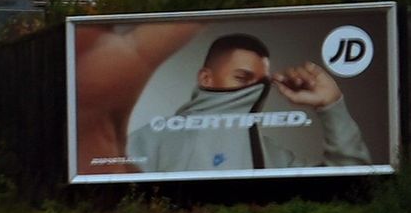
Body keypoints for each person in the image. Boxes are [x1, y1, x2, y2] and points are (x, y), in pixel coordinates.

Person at [133, 30, 376, 171]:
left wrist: (330, 104)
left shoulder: (271, 155)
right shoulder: (150, 141)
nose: (255, 91)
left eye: (262, 83)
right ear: (206, 78)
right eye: (241, 78)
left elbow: (349, 178)